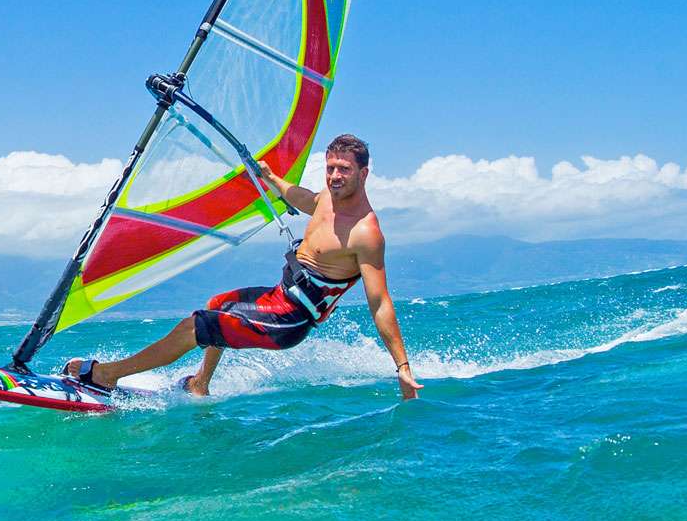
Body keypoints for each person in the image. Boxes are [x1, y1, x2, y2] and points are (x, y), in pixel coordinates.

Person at [64, 133, 421, 400]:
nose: (334, 176)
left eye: (344, 169)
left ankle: (106, 375)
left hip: (289, 319)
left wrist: (402, 368)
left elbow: (380, 302)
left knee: (197, 327)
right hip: (278, 296)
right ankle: (200, 384)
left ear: (364, 173)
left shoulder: (365, 232)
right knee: (217, 303)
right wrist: (270, 179)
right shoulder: (328, 197)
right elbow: (303, 199)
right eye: (330, 168)